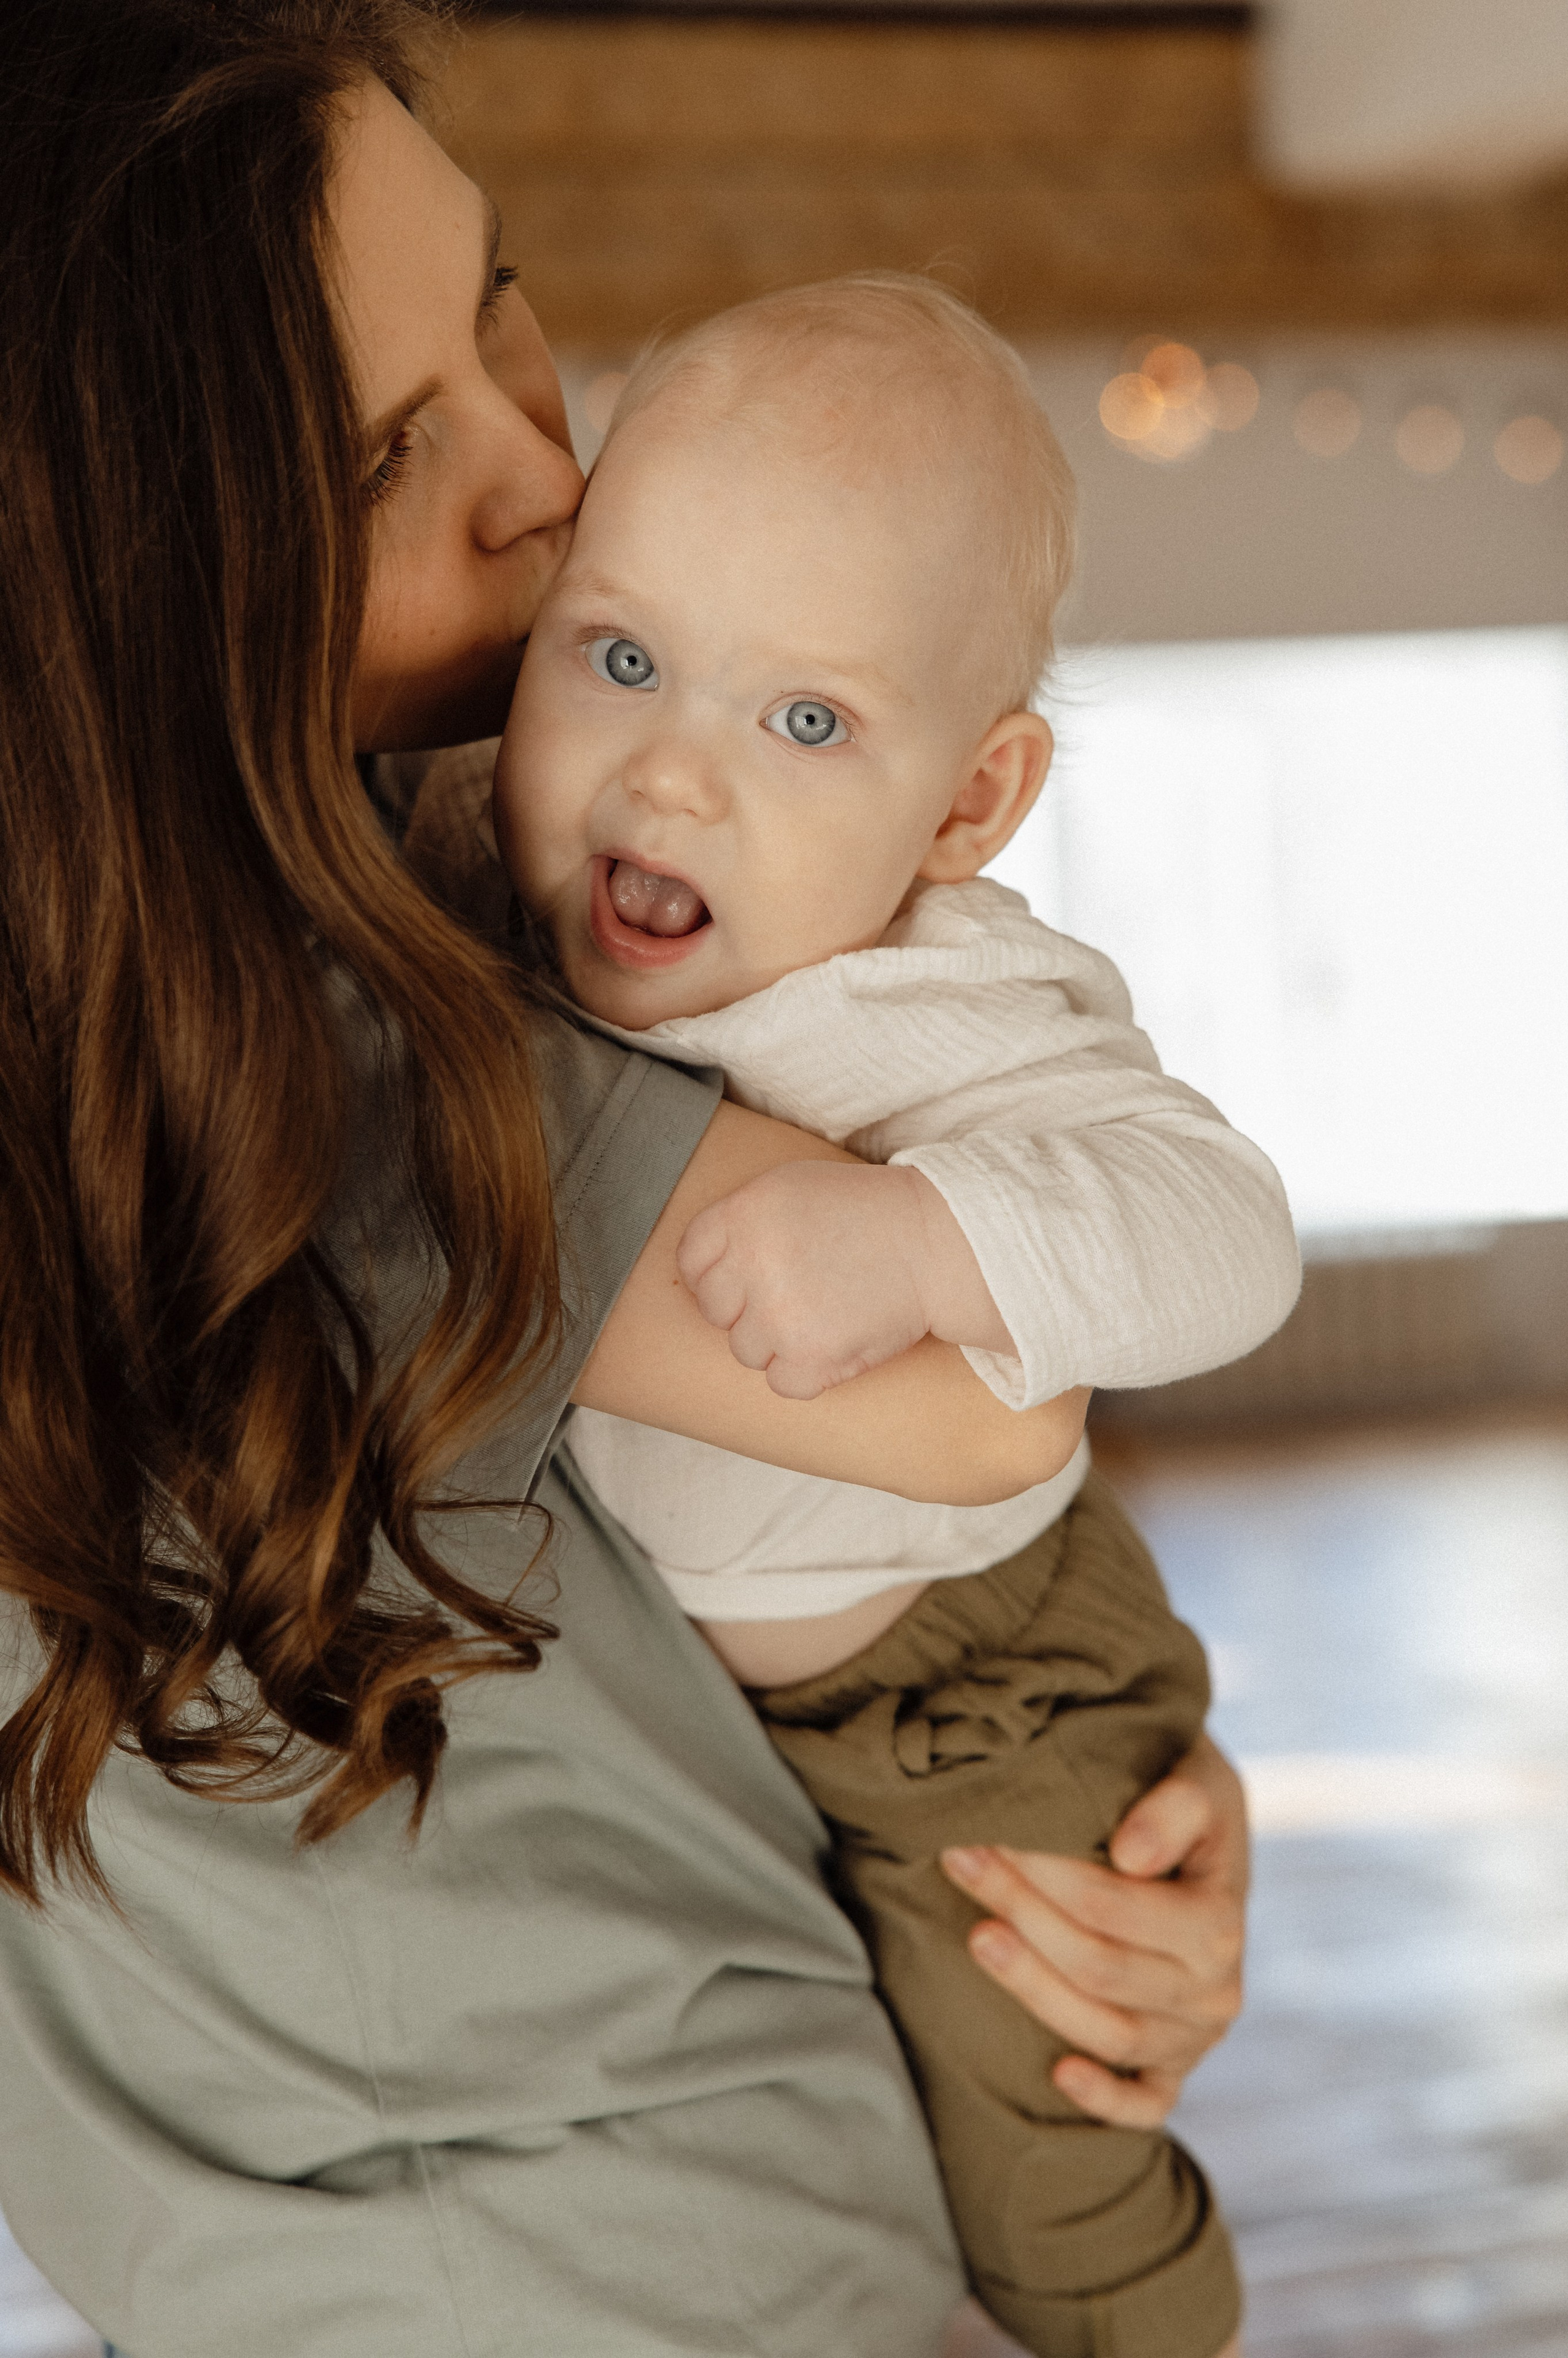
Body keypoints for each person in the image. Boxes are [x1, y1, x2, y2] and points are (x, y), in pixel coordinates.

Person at [0, 7, 1248, 2355]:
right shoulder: (320, 1036)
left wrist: (1110, 1775)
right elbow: (986, 1423)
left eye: (498, 303)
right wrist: (1092, 1742)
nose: (539, 477)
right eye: (384, 450)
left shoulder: (247, 927)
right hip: (689, 2243)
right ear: (139, 559)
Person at [455, 273, 1297, 2358]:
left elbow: (1226, 1235)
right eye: (623, 656)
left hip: (973, 1681)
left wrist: (929, 1241)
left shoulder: (948, 1002)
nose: (674, 776)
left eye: (807, 719)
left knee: (1046, 2141)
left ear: (965, 808)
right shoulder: (476, 919)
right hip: (697, 1736)